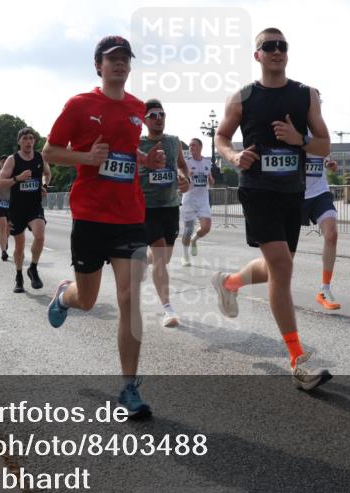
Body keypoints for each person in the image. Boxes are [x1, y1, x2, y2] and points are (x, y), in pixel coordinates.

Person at [42, 35, 166, 417]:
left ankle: (129, 387)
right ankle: (65, 296)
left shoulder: (137, 107)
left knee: (129, 298)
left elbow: (125, 150)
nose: (120, 63)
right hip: (91, 215)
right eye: (112, 58)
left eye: (125, 58)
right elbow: (50, 152)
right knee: (89, 300)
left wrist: (145, 161)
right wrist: (85, 157)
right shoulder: (80, 104)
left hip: (129, 215)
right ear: (99, 65)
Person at [209, 27, 332, 390]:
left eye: (282, 46)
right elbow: (221, 136)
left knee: (280, 265)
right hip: (258, 190)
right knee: (281, 266)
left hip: (292, 191)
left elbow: (324, 145)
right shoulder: (242, 97)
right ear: (257, 55)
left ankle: (229, 283)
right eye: (269, 46)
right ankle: (298, 359)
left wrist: (299, 139)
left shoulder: (305, 95)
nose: (277, 51)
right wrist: (234, 156)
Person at [138, 99, 190, 327]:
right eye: (153, 115)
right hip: (147, 208)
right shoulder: (138, 143)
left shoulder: (173, 141)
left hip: (170, 206)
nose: (159, 118)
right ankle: (168, 309)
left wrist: (184, 177)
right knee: (160, 256)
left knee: (164, 258)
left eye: (162, 114)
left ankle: (143, 261)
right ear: (144, 120)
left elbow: (182, 165)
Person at [0, 128, 51, 293]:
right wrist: (17, 178)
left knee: (40, 236)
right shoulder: (12, 160)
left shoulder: (40, 157)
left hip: (34, 206)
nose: (29, 141)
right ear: (19, 141)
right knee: (19, 245)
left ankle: (33, 268)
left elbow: (47, 173)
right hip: (17, 208)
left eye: (31, 138)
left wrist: (44, 185)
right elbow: (0, 182)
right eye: (25, 138)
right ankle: (19, 276)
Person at [302, 148, 342, 310]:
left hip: (320, 193)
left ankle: (324, 290)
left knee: (332, 235)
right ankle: (278, 286)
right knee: (284, 252)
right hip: (294, 194)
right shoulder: (290, 134)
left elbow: (324, 158)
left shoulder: (320, 135)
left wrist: (329, 164)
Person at [180, 138, 214, 267]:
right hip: (189, 200)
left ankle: (194, 240)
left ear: (200, 147)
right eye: (190, 146)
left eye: (193, 145)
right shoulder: (186, 162)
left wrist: (211, 180)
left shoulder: (207, 162)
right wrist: (187, 175)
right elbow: (180, 175)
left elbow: (210, 180)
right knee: (188, 230)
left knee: (206, 228)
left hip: (203, 200)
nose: (191, 147)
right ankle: (185, 256)